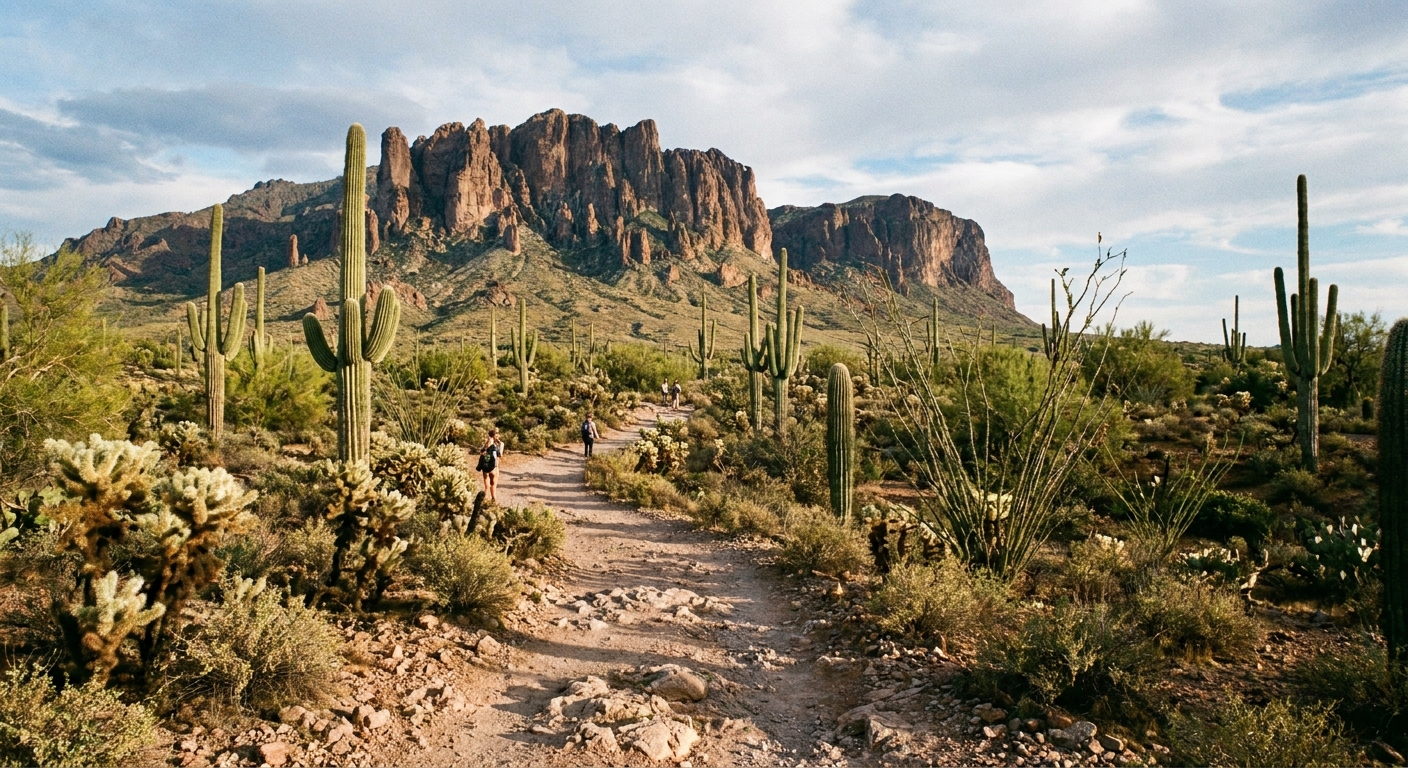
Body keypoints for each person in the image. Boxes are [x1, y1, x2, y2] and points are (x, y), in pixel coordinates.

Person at [476, 427, 505, 503]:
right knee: (493, 484)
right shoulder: (500, 444)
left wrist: (487, 444)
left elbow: (482, 452)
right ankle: (493, 499)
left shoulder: (488, 442)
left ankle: (484, 498)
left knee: (488, 484)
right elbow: (500, 455)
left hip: (487, 465)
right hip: (495, 466)